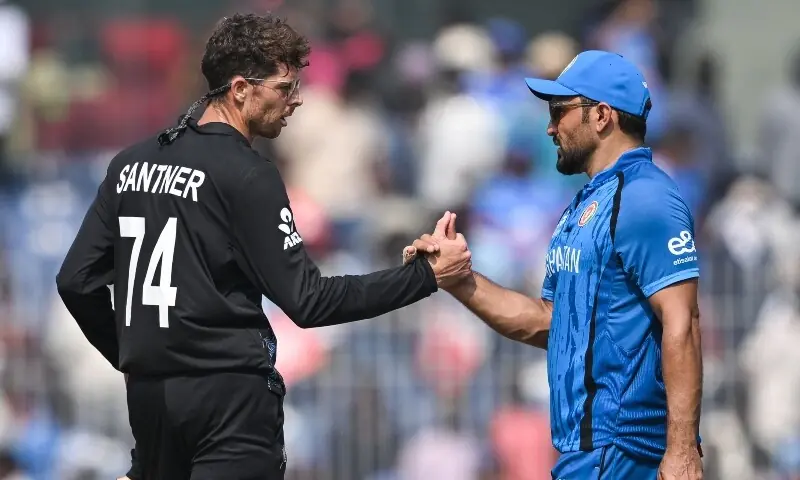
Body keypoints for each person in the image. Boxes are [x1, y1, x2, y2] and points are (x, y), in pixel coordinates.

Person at [55, 13, 471, 480]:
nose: (296, 101)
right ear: (240, 89)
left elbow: (75, 281)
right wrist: (427, 276)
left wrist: (133, 357)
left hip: (152, 400)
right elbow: (309, 301)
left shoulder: (129, 164)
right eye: (285, 87)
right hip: (229, 406)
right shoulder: (247, 174)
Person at [406, 50, 703, 479]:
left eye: (560, 111)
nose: (549, 127)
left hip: (628, 450)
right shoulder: (586, 203)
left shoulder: (644, 198)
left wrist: (680, 452)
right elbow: (549, 322)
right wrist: (457, 279)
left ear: (601, 116)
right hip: (588, 452)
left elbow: (684, 322)